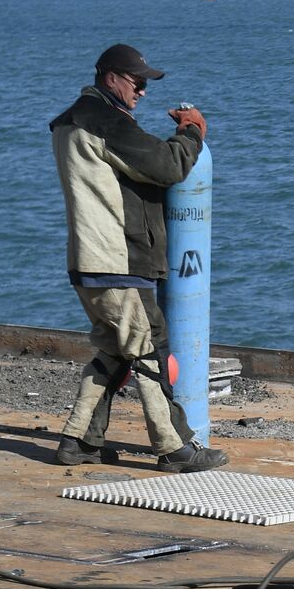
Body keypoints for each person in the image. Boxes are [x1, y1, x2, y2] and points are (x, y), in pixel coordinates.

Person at [49, 43, 227, 472]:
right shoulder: (105, 121)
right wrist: (192, 132)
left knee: (114, 352)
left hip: (87, 261)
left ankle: (78, 442)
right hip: (119, 262)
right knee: (150, 352)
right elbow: (166, 166)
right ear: (111, 77)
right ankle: (175, 448)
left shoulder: (70, 122)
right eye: (138, 81)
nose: (143, 91)